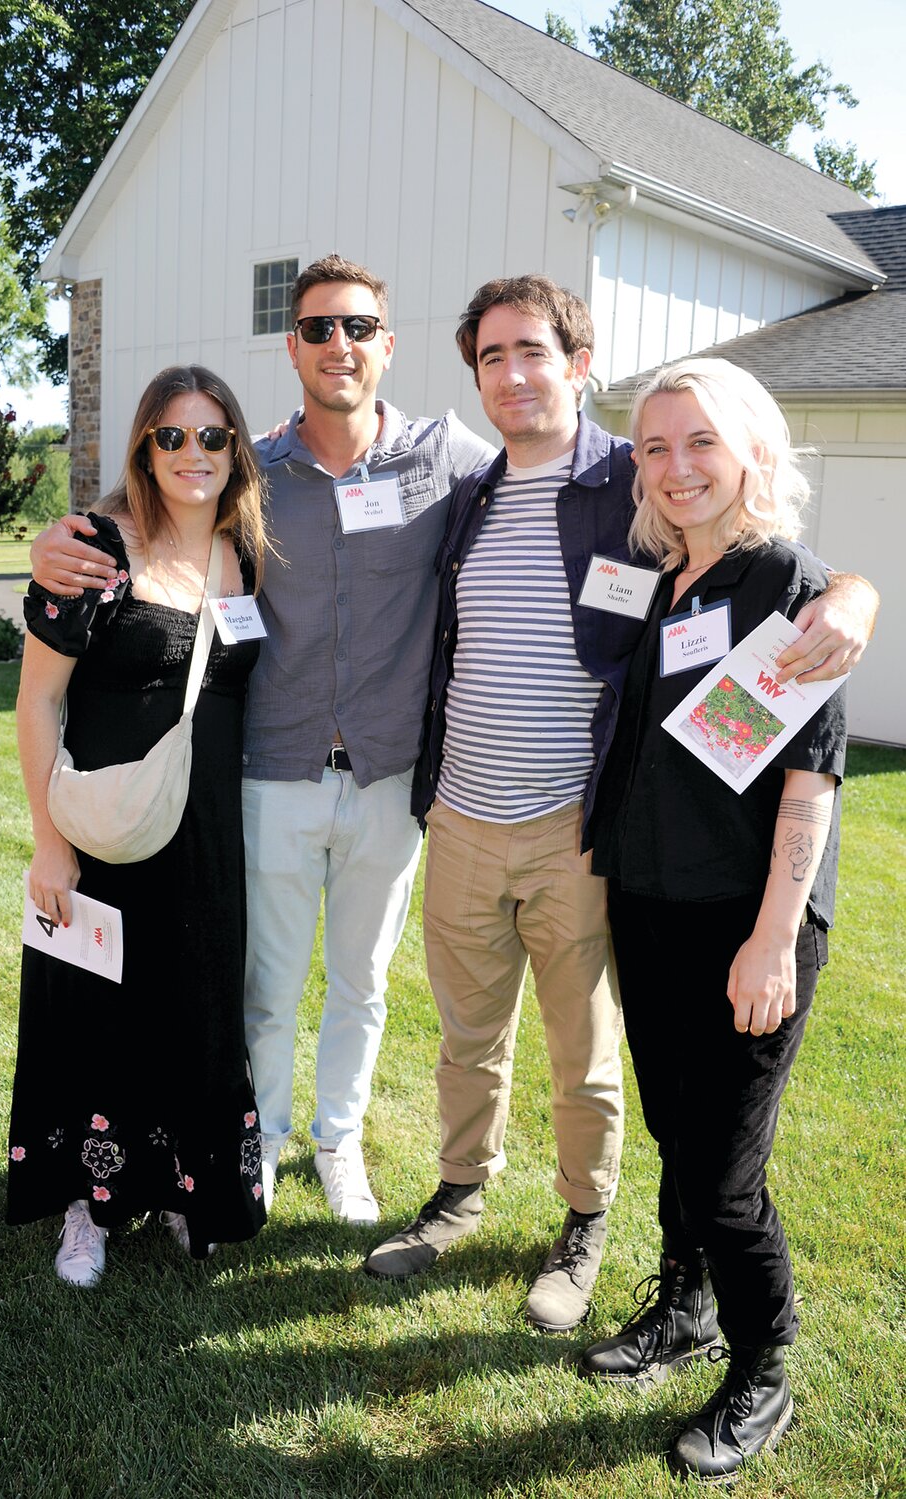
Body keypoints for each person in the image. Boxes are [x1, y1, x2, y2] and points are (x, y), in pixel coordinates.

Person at [363, 278, 874, 1338]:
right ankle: (460, 1193)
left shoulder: (629, 482)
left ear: (577, 362)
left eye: (532, 351)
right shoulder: (470, 489)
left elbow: (769, 575)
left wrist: (849, 593)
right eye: (490, 356)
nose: (511, 374)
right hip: (467, 813)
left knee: (580, 1049)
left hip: (577, 825)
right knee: (468, 1035)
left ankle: (583, 1222)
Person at [27, 255, 495, 1225]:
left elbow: (562, 472)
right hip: (271, 775)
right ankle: (262, 1145)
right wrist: (50, 543)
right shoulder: (253, 476)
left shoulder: (443, 456)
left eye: (357, 327)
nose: (339, 345)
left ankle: (339, 1141)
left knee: (362, 985)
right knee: (268, 989)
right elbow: (146, 518)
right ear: (291, 347)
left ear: (387, 343)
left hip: (384, 777)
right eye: (319, 328)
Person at [577, 358, 847, 1483]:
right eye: (652, 446)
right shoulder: (665, 579)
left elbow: (808, 776)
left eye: (698, 442)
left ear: (749, 450)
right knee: (674, 1139)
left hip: (744, 923)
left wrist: (772, 936)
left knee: (725, 1175)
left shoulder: (783, 581)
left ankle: (761, 1372)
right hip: (648, 910)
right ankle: (681, 1305)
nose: (674, 466)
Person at [10, 365, 268, 1285]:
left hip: (204, 840)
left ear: (235, 447)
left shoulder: (247, 551)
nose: (191, 453)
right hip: (107, 836)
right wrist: (51, 840)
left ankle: (176, 1186)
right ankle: (88, 1204)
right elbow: (38, 700)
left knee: (192, 1009)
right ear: (144, 448)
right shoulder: (96, 548)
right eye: (171, 436)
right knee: (98, 1018)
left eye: (210, 436)